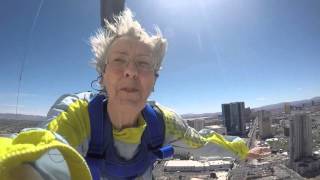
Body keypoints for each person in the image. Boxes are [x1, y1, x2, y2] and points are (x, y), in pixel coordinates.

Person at [0, 8, 270, 180]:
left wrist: (243, 149)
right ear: (102, 75)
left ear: (154, 80)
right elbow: (42, 147)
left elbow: (202, 142)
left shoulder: (162, 122)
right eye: (119, 60)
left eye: (143, 64)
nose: (131, 71)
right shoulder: (77, 115)